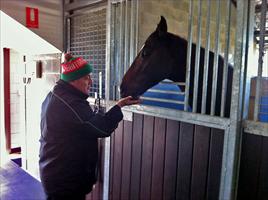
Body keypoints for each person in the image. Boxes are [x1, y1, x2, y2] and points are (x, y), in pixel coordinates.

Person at [39, 53, 140, 200]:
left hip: (56, 173)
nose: (91, 82)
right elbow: (102, 127)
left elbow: (83, 124)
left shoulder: (55, 95)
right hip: (64, 181)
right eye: (86, 77)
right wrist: (119, 105)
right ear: (73, 80)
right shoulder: (70, 104)